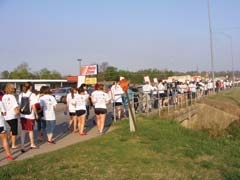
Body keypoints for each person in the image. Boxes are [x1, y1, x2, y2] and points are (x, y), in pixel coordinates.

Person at [18, 82, 38, 152]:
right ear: (30, 87)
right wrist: (36, 114)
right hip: (30, 115)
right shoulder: (32, 95)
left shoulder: (21, 94)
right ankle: (32, 144)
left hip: (22, 115)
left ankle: (22, 146)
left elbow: (20, 105)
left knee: (23, 130)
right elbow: (33, 106)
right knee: (30, 130)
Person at [2, 83, 20, 149]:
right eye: (13, 88)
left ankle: (7, 142)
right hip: (12, 116)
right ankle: (13, 145)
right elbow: (15, 107)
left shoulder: (4, 96)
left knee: (12, 129)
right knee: (14, 131)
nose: (14, 89)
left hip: (6, 116)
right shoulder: (12, 97)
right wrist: (19, 114)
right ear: (11, 89)